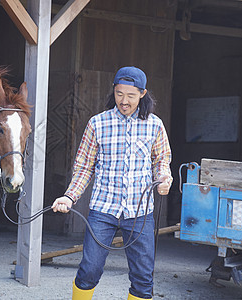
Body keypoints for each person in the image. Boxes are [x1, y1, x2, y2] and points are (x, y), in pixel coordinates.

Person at [52, 66, 173, 300]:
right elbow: (84, 167)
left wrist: (164, 178)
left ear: (142, 93)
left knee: (143, 276)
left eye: (130, 95)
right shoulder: (97, 124)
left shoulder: (155, 125)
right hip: (103, 210)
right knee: (90, 269)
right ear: (113, 91)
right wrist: (69, 196)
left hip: (140, 212)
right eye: (119, 94)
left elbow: (162, 160)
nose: (124, 101)